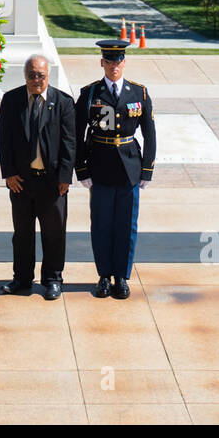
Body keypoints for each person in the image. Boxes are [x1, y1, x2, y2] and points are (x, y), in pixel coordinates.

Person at [74, 38, 156, 300]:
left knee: (126, 225)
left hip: (130, 167)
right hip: (100, 166)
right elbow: (77, 134)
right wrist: (82, 170)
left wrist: (146, 170)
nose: (114, 66)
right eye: (109, 61)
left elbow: (150, 135)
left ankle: (122, 276)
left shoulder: (138, 93)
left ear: (124, 62)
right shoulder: (90, 94)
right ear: (102, 63)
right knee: (101, 224)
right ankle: (103, 276)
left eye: (118, 60)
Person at [0, 54, 75, 300]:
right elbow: (4, 140)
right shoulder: (11, 101)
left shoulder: (63, 103)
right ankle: (21, 278)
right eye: (31, 75)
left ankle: (52, 279)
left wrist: (65, 177)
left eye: (40, 75)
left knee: (54, 232)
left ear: (48, 75)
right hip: (21, 182)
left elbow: (69, 143)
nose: (36, 80)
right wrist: (8, 173)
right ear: (25, 76)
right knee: (22, 234)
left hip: (52, 183)